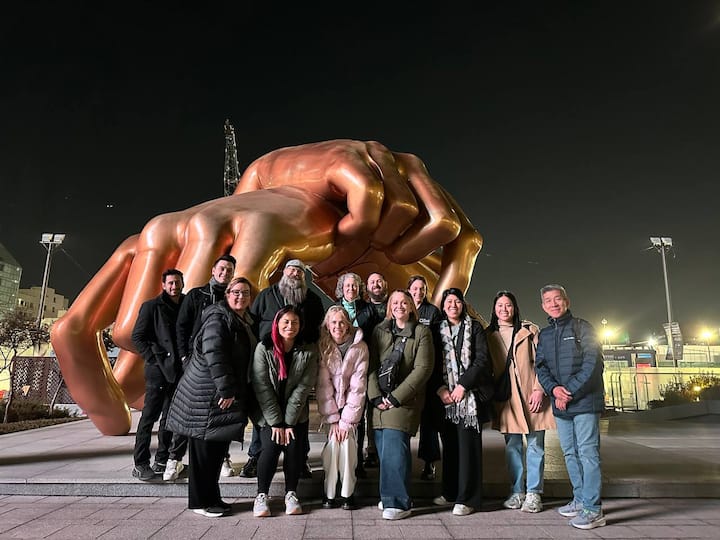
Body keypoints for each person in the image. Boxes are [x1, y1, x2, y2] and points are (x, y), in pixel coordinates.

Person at [51, 140, 482, 437]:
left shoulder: (376, 301)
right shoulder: (296, 285)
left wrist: (445, 316)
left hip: (362, 406)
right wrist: (287, 188)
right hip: (296, 408)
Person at [165, 277, 256, 518]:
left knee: (215, 452)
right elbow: (215, 354)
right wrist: (226, 389)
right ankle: (199, 502)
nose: (241, 296)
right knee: (204, 453)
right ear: (227, 294)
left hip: (217, 396)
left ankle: (212, 498)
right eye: (236, 292)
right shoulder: (218, 318)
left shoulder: (240, 319)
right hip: (208, 396)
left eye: (246, 293)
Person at [244, 258, 324, 479]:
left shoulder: (313, 299)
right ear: (283, 273)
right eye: (291, 270)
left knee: (299, 411)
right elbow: (254, 324)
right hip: (270, 358)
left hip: (299, 359)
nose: (295, 274)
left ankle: (301, 459)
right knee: (265, 410)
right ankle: (256, 456)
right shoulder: (266, 296)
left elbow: (318, 327)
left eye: (299, 271)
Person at [535, 284, 606, 530]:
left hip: (585, 402)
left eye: (557, 299)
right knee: (569, 453)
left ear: (567, 301)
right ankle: (580, 499)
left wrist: (569, 392)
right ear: (543, 306)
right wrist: (554, 390)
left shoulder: (583, 327)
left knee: (588, 453)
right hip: (560, 403)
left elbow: (593, 364)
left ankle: (593, 509)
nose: (553, 304)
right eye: (548, 301)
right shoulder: (544, 335)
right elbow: (540, 367)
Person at [485, 291, 555, 513]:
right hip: (507, 399)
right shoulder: (488, 335)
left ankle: (534, 493)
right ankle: (517, 491)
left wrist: (539, 389)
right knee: (512, 447)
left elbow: (544, 362)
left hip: (532, 395)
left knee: (536, 446)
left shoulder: (529, 330)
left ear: (515, 308)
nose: (504, 309)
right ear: (494, 309)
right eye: (500, 305)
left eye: (508, 305)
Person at [367, 289, 433, 521]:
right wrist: (376, 397)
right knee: (385, 451)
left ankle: (398, 502)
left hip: (403, 401)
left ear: (411, 306)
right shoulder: (379, 331)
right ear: (389, 307)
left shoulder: (422, 332)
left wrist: (395, 397)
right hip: (379, 402)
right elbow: (371, 365)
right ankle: (389, 496)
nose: (399, 306)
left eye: (404, 302)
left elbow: (423, 369)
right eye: (394, 302)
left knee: (395, 450)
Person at [172, 254, 237, 478]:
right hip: (196, 363)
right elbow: (181, 328)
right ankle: (174, 458)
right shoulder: (196, 295)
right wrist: (184, 358)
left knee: (221, 411)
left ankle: (223, 457)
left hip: (222, 363)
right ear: (213, 270)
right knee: (189, 410)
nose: (225, 273)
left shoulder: (233, 297)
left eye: (229, 270)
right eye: (222, 268)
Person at [430, 288, 494, 516]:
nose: (453, 305)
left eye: (457, 301)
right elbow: (430, 362)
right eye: (448, 301)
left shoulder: (474, 327)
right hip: (446, 400)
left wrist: (462, 386)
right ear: (443, 306)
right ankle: (450, 492)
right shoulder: (435, 329)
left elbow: (482, 360)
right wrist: (441, 389)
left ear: (463, 304)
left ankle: (468, 498)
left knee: (468, 450)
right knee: (450, 448)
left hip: (469, 399)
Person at [250, 306, 318, 518]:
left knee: (294, 448)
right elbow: (262, 387)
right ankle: (261, 495)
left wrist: (288, 423)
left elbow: (303, 388)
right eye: (286, 322)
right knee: (270, 448)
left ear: (300, 325)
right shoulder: (263, 347)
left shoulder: (309, 349)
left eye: (295, 322)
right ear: (277, 324)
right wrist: (277, 423)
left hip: (296, 414)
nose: (290, 326)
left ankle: (291, 493)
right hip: (268, 413)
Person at [130, 268, 185, 481]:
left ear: (182, 283)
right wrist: (153, 359)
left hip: (178, 371)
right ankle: (140, 463)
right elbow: (138, 336)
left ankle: (162, 460)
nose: (174, 286)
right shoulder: (151, 306)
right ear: (163, 285)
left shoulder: (185, 304)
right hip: (158, 371)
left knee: (169, 419)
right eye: (170, 283)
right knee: (149, 418)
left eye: (177, 282)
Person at [316, 305, 369, 510]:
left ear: (347, 325)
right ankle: (329, 493)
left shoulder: (360, 347)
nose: (337, 326)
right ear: (327, 326)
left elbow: (358, 387)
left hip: (351, 411)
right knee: (332, 447)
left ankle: (347, 493)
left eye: (341, 322)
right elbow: (323, 386)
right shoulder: (323, 347)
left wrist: (346, 422)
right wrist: (333, 420)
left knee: (347, 446)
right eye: (333, 322)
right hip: (332, 411)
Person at [334, 272, 381, 478]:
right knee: (340, 414)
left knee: (358, 416)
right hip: (339, 369)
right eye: (347, 286)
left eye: (354, 285)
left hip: (362, 366)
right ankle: (340, 458)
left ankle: (358, 462)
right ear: (341, 288)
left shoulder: (369, 309)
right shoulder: (335, 309)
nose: (351, 289)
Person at [407, 274, 442, 480]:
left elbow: (437, 344)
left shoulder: (432, 312)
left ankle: (429, 462)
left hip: (427, 374)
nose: (418, 292)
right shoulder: (403, 308)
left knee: (428, 421)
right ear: (409, 290)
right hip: (406, 374)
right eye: (415, 288)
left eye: (422, 288)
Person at [361, 271, 389, 468]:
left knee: (386, 408)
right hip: (367, 364)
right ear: (367, 287)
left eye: (379, 281)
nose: (376, 284)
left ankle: (385, 448)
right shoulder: (363, 309)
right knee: (369, 409)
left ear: (385, 284)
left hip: (390, 364)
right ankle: (371, 449)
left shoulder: (393, 305)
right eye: (372, 282)